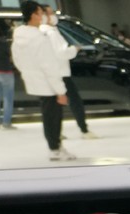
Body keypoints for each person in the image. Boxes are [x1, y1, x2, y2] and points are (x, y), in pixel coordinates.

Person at [11, 1, 73, 162]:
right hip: (48, 83)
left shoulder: (19, 36)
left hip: (35, 81)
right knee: (53, 117)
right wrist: (60, 90)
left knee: (48, 115)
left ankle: (55, 146)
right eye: (41, 13)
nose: (44, 16)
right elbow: (49, 66)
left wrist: (29, 73)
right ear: (34, 15)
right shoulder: (39, 38)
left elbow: (17, 60)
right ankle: (55, 148)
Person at [40, 5, 94, 140]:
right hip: (61, 73)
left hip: (48, 73)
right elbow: (61, 52)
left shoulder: (40, 31)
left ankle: (56, 132)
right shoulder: (51, 32)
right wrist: (74, 49)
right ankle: (84, 129)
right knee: (75, 101)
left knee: (53, 105)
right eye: (51, 13)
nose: (54, 16)